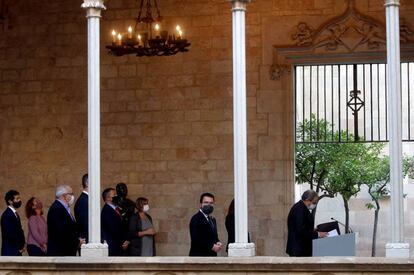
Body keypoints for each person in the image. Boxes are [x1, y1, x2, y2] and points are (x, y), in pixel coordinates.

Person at [286, 190, 328, 257]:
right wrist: (318, 234)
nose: (315, 204)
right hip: (299, 250)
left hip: (301, 248)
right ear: (307, 200)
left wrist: (312, 229)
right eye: (314, 202)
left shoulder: (301, 207)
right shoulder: (299, 209)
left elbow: (301, 226)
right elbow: (301, 231)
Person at [47, 185, 84, 256]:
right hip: (60, 252)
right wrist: (77, 241)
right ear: (63, 196)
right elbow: (62, 231)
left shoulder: (64, 208)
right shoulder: (56, 209)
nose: (73, 196)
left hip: (66, 251)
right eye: (71, 194)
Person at [189, 192, 221, 256]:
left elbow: (214, 236)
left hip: (211, 257)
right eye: (206, 202)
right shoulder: (196, 218)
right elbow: (196, 239)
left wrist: (218, 242)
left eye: (211, 203)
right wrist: (211, 246)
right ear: (201, 204)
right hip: (199, 257)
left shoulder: (212, 220)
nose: (208, 205)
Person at [101, 188, 129, 256]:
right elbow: (114, 229)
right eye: (114, 194)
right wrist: (123, 242)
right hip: (114, 246)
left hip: (118, 245)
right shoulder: (107, 211)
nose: (117, 196)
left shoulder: (116, 208)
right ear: (108, 198)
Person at [1, 190, 25, 256]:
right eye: (17, 199)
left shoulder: (15, 214)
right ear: (10, 201)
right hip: (10, 251)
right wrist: (20, 246)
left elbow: (20, 230)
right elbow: (10, 234)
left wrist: (22, 245)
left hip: (16, 250)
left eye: (19, 198)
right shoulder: (7, 215)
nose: (19, 200)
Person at [74, 173, 88, 242]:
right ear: (87, 183)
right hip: (87, 241)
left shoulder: (87, 199)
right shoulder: (83, 201)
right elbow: (85, 224)